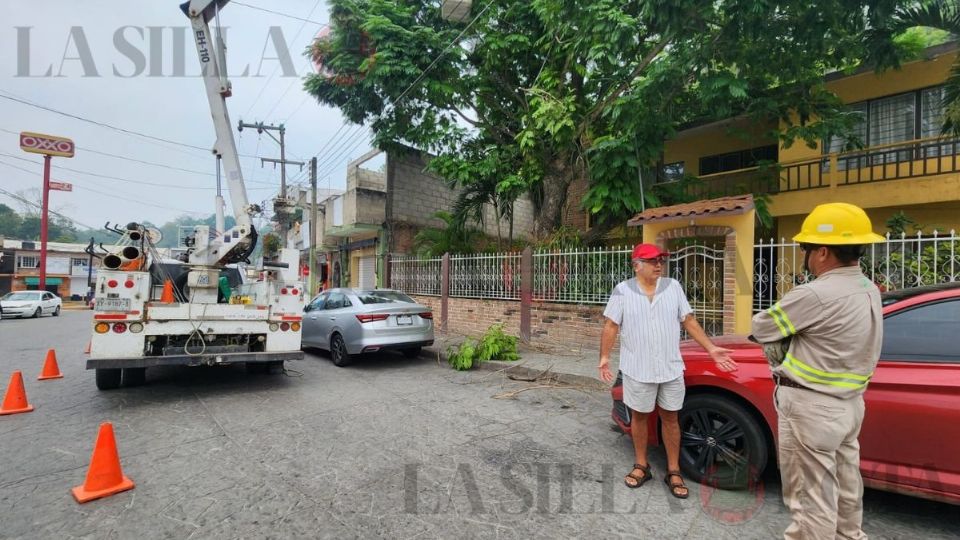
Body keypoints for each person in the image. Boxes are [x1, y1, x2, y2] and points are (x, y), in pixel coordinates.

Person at [751, 202, 884, 540]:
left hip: (812, 408)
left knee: (811, 498)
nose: (805, 256)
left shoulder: (816, 293)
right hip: (849, 405)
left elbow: (763, 327)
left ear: (822, 251)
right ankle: (848, 535)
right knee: (846, 485)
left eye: (806, 248)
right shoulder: (868, 288)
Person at [598, 243, 736, 499]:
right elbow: (611, 326)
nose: (659, 264)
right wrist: (604, 357)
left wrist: (712, 349)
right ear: (636, 264)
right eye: (652, 261)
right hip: (637, 368)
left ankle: (673, 470)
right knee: (639, 417)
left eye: (661, 260)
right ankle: (642, 464)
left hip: (670, 367)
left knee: (670, 418)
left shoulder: (673, 287)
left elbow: (689, 320)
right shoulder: (622, 291)